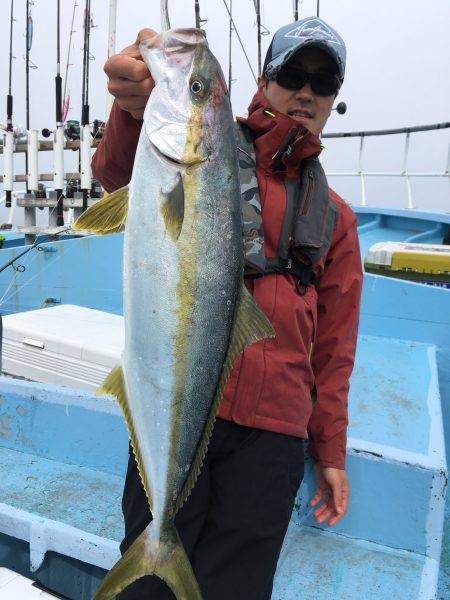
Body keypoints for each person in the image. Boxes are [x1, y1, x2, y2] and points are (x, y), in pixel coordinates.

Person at [92, 16, 363, 600]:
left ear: (334, 99)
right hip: (179, 402)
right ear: (265, 79)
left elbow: (337, 349)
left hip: (274, 434)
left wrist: (330, 451)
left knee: (238, 586)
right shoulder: (210, 145)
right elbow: (118, 175)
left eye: (324, 82)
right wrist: (134, 110)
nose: (308, 92)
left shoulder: (337, 218)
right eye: (295, 73)